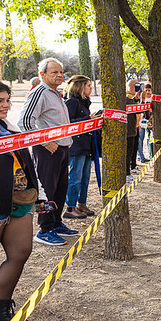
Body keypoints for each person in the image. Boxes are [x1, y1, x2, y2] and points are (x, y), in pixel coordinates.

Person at [19, 57, 79, 246]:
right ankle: (45, 230)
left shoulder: (56, 93)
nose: (59, 75)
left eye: (61, 72)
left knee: (61, 188)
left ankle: (56, 223)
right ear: (42, 75)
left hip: (62, 149)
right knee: (47, 189)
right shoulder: (40, 92)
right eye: (54, 72)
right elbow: (25, 122)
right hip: (47, 150)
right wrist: (45, 142)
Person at [0, 82, 39, 321]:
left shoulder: (7, 127)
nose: (5, 105)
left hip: (18, 200)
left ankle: (0, 312)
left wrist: (37, 193)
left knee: (21, 250)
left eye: (7, 100)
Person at [63, 75, 100, 219]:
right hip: (76, 146)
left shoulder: (84, 103)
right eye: (88, 85)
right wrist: (88, 119)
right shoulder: (72, 102)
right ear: (79, 87)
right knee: (75, 177)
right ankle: (70, 207)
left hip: (86, 146)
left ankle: (82, 203)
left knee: (85, 177)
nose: (91, 88)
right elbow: (68, 123)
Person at [137, 83, 152, 163]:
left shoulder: (152, 98)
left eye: (149, 90)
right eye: (146, 90)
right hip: (141, 121)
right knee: (140, 139)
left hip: (149, 120)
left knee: (150, 139)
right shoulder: (141, 100)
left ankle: (150, 155)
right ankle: (140, 156)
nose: (147, 92)